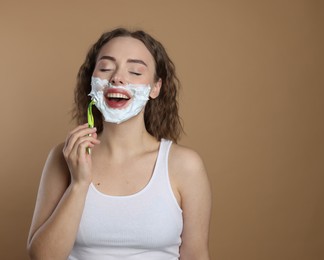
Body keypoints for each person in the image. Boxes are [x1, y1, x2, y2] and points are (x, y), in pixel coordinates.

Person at [27, 27, 212, 260]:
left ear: (155, 88)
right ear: (92, 82)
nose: (117, 78)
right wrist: (79, 184)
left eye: (135, 71)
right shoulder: (64, 157)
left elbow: (196, 255)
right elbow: (42, 257)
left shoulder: (185, 165)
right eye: (105, 68)